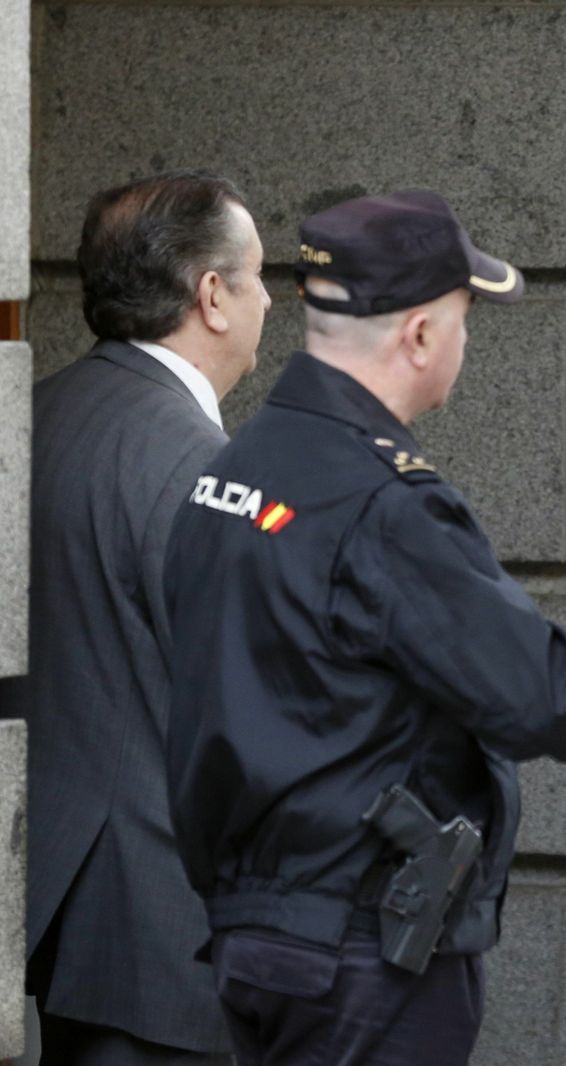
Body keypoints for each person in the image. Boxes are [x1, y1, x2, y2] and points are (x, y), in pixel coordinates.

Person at [162, 190, 566, 1066]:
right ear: (418, 334)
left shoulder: (235, 471)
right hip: (359, 947)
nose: (464, 340)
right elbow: (532, 689)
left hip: (259, 933)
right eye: (462, 318)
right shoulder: (382, 501)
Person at [0, 171, 269, 1065]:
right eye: (259, 275)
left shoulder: (31, 420)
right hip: (159, 927)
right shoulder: (202, 467)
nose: (270, 299)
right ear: (211, 298)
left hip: (48, 890)